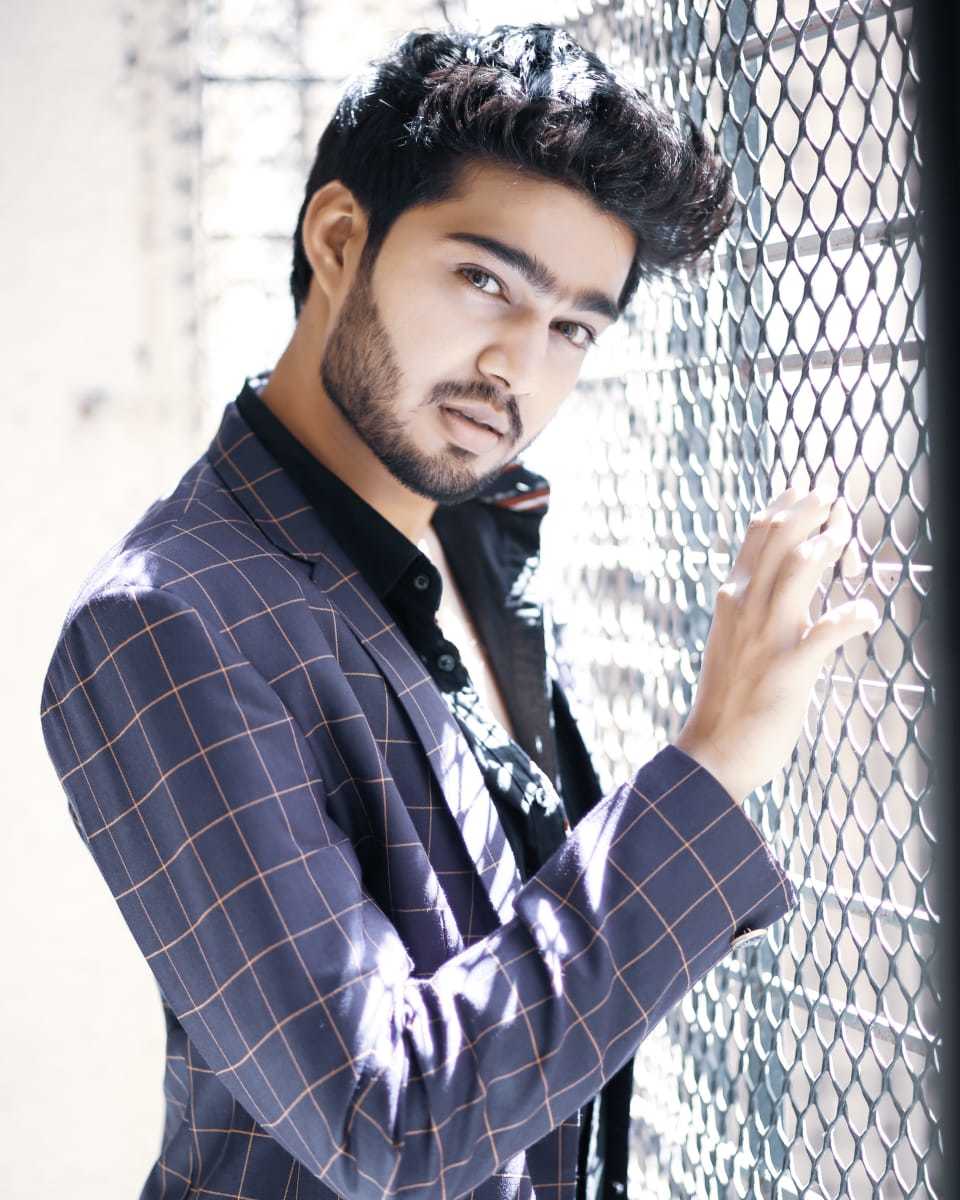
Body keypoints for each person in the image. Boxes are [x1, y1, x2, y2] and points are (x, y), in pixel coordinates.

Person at [39, 22, 878, 1200]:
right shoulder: (171, 622)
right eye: (485, 282)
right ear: (340, 238)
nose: (517, 368)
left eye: (573, 328)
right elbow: (382, 1119)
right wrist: (712, 762)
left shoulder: (481, 532)